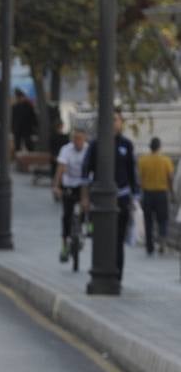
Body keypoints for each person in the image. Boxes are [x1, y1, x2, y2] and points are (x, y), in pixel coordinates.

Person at [82, 110, 139, 281]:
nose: (113, 123)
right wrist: (85, 198)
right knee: (101, 238)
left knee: (119, 240)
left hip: (121, 198)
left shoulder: (126, 145)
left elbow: (132, 173)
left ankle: (117, 276)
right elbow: (86, 172)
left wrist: (136, 198)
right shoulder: (95, 144)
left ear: (121, 122)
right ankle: (101, 271)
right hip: (99, 200)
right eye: (110, 119)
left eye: (116, 119)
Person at [53, 127, 90, 262]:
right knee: (66, 216)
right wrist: (56, 186)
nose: (77, 142)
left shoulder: (88, 150)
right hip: (69, 184)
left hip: (84, 184)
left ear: (85, 139)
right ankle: (64, 246)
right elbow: (61, 168)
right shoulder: (66, 149)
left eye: (80, 139)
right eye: (75, 139)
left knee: (86, 205)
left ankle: (87, 224)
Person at [138, 137, 174, 255]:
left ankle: (149, 246)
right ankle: (162, 241)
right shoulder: (166, 160)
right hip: (162, 193)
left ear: (150, 147)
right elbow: (170, 178)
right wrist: (172, 192)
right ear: (159, 147)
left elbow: (140, 178)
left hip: (147, 193)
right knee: (162, 220)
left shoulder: (143, 160)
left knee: (148, 221)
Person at [10, 88, 37, 153]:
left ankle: (31, 154)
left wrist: (35, 126)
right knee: (17, 145)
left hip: (26, 128)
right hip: (18, 129)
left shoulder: (28, 106)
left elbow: (33, 117)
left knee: (28, 143)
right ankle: (18, 156)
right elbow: (12, 118)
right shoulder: (15, 107)